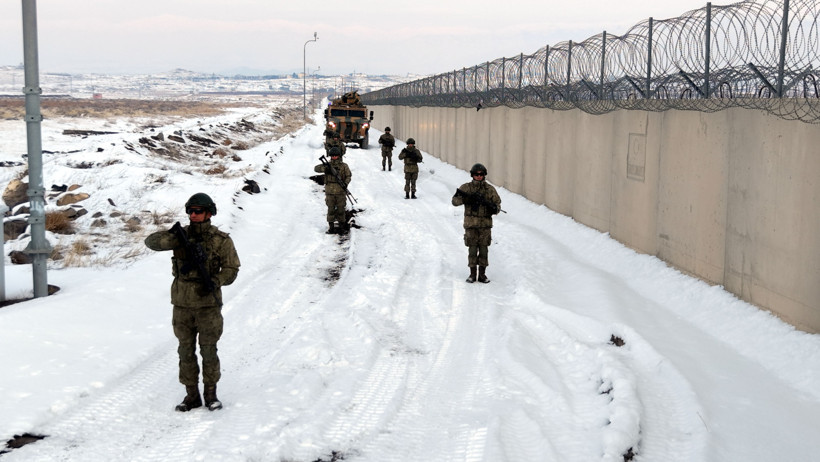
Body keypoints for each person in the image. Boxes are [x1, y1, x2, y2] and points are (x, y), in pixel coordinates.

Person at [144, 193, 241, 411]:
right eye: (191, 211)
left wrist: (216, 281)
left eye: (198, 211)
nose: (194, 215)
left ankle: (211, 394)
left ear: (209, 213)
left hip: (208, 305)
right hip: (182, 304)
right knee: (185, 351)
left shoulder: (221, 240)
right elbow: (151, 242)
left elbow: (232, 268)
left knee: (208, 350)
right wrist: (173, 237)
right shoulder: (181, 236)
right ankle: (191, 395)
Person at [451, 163, 501, 283]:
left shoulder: (490, 189)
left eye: (481, 174)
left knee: (484, 250)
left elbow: (497, 204)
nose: (478, 176)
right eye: (476, 174)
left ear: (484, 175)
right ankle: (472, 274)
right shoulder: (466, 188)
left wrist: (494, 209)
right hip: (471, 225)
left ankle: (482, 275)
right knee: (472, 250)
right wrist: (466, 199)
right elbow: (454, 201)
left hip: (485, 225)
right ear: (472, 175)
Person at [314, 146, 352, 234]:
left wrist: (345, 183)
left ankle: (341, 227)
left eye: (336, 155)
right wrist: (324, 169)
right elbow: (316, 168)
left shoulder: (344, 166)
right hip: (329, 191)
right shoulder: (327, 165)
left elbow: (348, 176)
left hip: (340, 191)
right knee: (330, 209)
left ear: (339, 156)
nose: (334, 157)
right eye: (333, 155)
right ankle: (331, 228)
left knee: (341, 210)